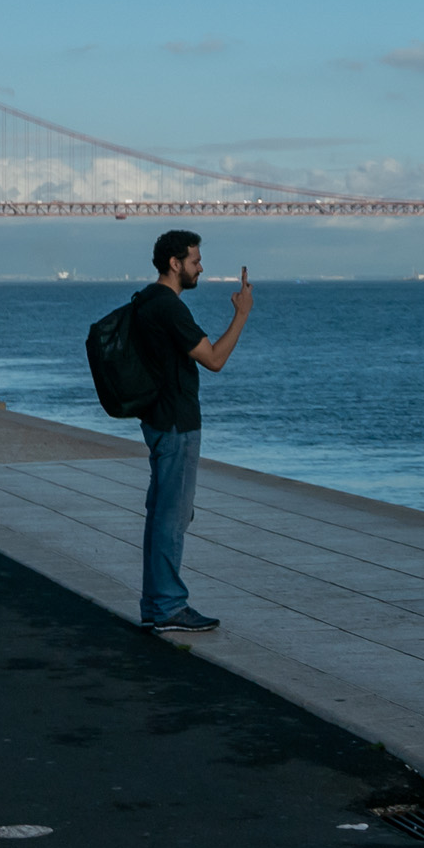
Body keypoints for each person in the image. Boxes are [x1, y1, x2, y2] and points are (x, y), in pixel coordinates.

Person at [127, 230, 250, 634]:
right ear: (175, 264)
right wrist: (241, 314)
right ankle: (168, 606)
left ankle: (155, 603)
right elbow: (214, 359)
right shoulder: (170, 309)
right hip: (177, 422)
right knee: (172, 516)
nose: (201, 267)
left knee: (163, 513)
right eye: (195, 261)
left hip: (157, 419)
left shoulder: (144, 301)